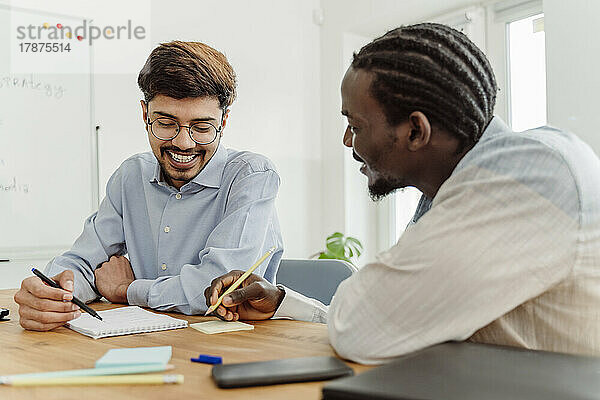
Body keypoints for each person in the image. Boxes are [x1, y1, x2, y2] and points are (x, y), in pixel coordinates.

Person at [205, 23, 600, 364]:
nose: (348, 141)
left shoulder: (529, 173)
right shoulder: (451, 190)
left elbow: (362, 326)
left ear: (415, 131)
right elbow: (396, 322)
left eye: (355, 125)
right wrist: (283, 302)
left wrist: (355, 318)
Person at [15, 41, 283, 331]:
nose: (184, 142)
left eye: (202, 127)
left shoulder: (252, 176)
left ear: (224, 121)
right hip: (142, 337)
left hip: (233, 344)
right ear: (145, 114)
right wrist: (55, 290)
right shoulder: (132, 175)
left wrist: (128, 290)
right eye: (166, 123)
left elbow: (216, 287)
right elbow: (83, 261)